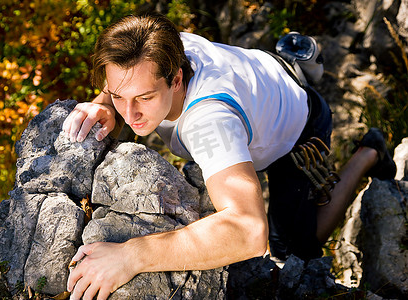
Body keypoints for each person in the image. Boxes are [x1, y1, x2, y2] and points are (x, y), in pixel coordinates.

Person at [62, 14, 396, 300]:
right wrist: (105, 102)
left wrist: (131, 256)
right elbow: (126, 80)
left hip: (298, 127)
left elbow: (249, 232)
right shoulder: (154, 44)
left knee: (294, 252)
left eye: (145, 98)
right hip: (263, 79)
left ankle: (370, 151)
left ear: (176, 78)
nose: (130, 114)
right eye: (121, 95)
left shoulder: (210, 122)